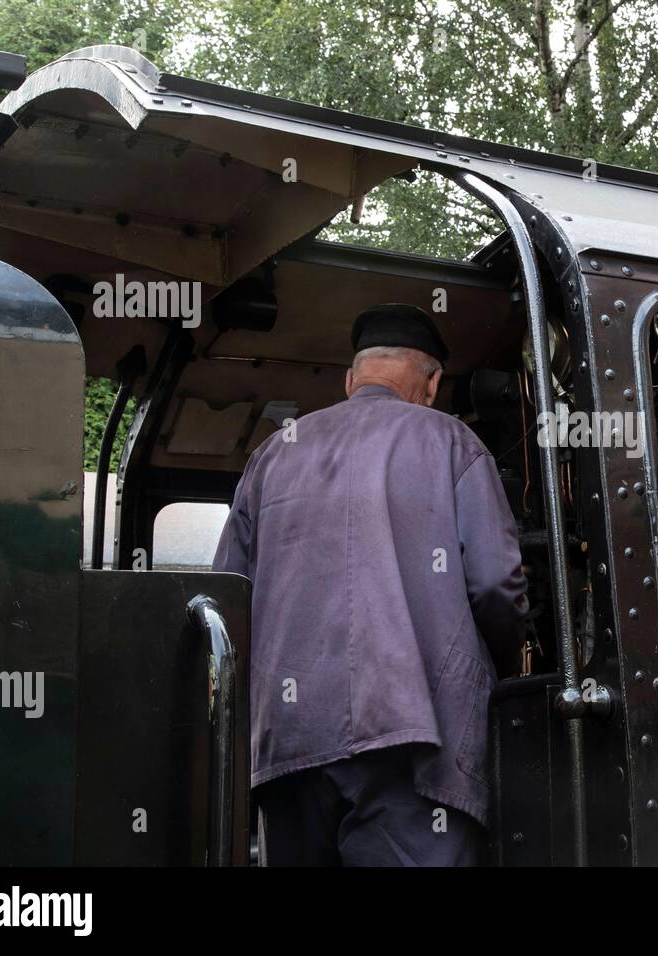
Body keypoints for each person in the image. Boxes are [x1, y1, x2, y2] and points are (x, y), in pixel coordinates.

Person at [213, 303, 528, 866]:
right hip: (415, 743)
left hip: (289, 743)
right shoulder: (452, 442)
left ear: (350, 378)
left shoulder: (271, 455)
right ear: (431, 383)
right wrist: (500, 675)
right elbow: (496, 583)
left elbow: (225, 598)